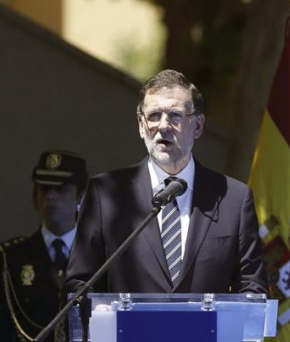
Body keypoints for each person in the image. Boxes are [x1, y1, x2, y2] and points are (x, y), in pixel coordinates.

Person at [65, 69, 267, 294]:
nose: (163, 125)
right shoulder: (105, 194)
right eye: (154, 116)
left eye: (175, 115)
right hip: (130, 330)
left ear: (198, 126)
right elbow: (79, 284)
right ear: (141, 126)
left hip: (205, 330)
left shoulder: (233, 199)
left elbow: (253, 290)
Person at [0, 150, 88, 342]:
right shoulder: (13, 257)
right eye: (44, 188)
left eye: (61, 189)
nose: (51, 197)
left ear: (80, 197)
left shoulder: (98, 254)